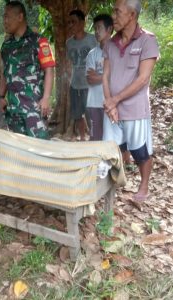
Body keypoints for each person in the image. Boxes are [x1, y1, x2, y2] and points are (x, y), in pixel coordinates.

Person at [102, 0, 159, 201]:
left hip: (135, 109)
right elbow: (105, 75)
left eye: (117, 12)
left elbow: (143, 79)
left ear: (132, 15)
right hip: (112, 109)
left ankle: (143, 187)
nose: (113, 16)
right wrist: (110, 102)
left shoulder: (147, 41)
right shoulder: (110, 43)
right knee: (112, 148)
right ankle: (112, 186)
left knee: (140, 151)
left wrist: (114, 100)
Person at [0, 1, 55, 139]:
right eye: (3, 17)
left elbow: (49, 69)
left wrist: (46, 98)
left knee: (40, 148)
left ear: (20, 17)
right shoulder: (6, 45)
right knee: (20, 150)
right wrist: (0, 96)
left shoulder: (39, 41)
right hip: (13, 109)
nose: (4, 21)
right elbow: (5, 73)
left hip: (34, 108)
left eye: (7, 17)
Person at [66, 9, 97, 141]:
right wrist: (69, 79)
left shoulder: (92, 40)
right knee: (78, 115)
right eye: (69, 23)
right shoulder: (69, 43)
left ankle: (94, 138)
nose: (71, 25)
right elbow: (69, 63)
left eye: (74, 22)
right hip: (75, 84)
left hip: (89, 84)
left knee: (91, 114)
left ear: (82, 23)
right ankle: (83, 138)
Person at [85, 14, 113, 141]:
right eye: (95, 28)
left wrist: (99, 76)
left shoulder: (117, 51)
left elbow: (119, 76)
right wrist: (108, 75)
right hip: (94, 102)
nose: (96, 32)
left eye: (99, 28)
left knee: (113, 139)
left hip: (112, 103)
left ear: (109, 29)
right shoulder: (92, 54)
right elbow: (90, 78)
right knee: (95, 138)